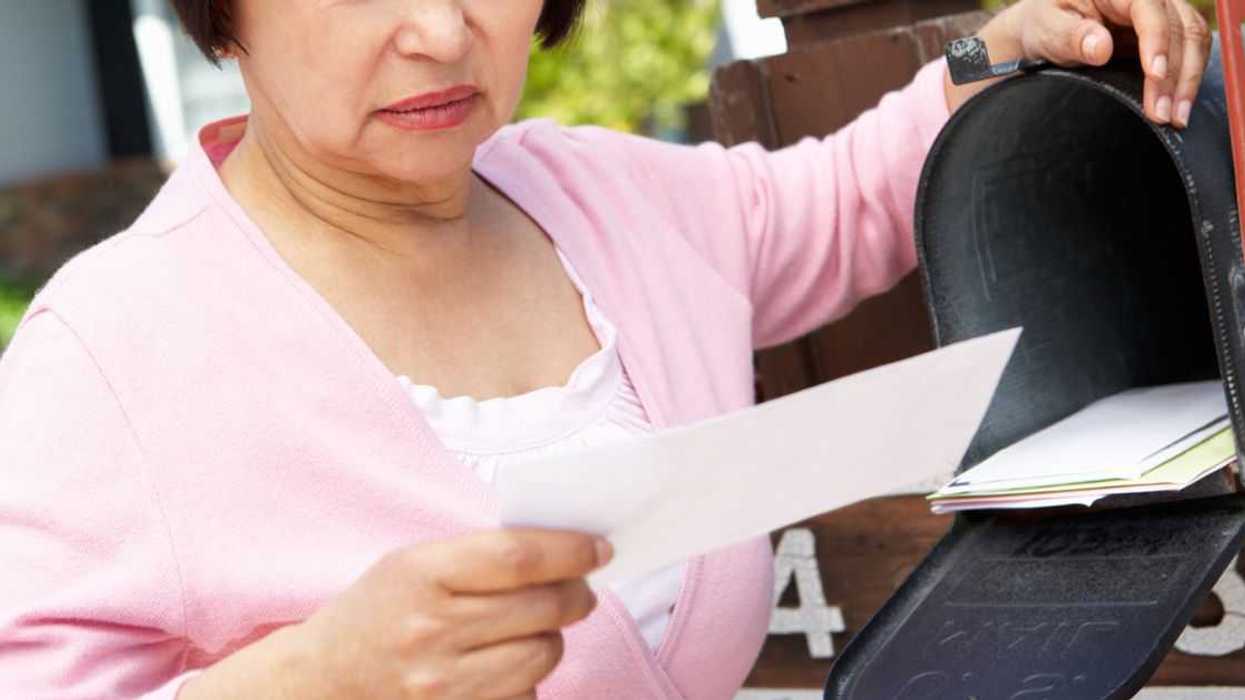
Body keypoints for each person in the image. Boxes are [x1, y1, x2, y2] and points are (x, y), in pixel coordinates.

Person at [0, 0, 1212, 697]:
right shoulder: (108, 352)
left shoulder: (602, 196)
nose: (441, 31)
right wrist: (318, 676)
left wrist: (1011, 48)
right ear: (225, 17)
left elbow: (842, 199)